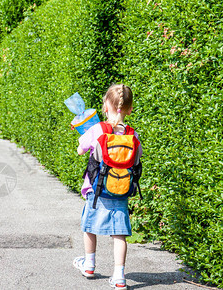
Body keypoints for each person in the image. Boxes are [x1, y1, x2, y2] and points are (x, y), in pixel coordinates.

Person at [73, 84, 142, 290]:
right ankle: (119, 276)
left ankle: (89, 264)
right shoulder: (132, 134)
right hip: (121, 190)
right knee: (119, 234)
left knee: (89, 227)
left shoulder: (97, 129)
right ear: (129, 109)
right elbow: (137, 160)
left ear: (105, 106)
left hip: (96, 190)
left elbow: (80, 150)